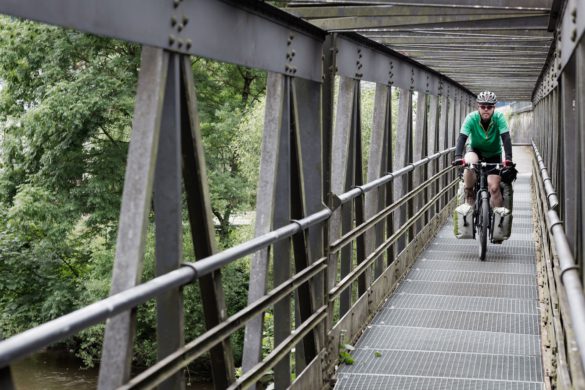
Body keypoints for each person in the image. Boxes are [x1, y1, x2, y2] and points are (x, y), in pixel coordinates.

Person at [453, 91, 513, 208]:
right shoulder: (471, 118)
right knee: (469, 163)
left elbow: (506, 138)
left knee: (494, 188)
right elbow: (462, 137)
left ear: (494, 107)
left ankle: (496, 221)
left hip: (494, 154)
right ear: (478, 107)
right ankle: (469, 192)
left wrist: (509, 159)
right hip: (475, 151)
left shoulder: (499, 117)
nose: (486, 109)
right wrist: (458, 157)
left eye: (489, 107)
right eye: (483, 106)